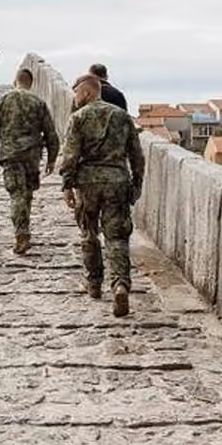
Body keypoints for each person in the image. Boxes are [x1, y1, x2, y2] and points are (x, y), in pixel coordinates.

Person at [59, 74, 145, 317]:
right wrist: (137, 183)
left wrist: (67, 184)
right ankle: (120, 285)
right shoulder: (121, 116)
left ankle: (94, 284)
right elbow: (137, 155)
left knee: (89, 234)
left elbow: (70, 156)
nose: (74, 98)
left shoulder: (78, 118)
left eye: (76, 93)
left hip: (87, 184)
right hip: (117, 182)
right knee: (117, 237)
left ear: (86, 92)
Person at [0, 68, 60, 254]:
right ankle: (24, 229)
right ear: (31, 83)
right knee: (27, 194)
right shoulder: (38, 102)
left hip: (11, 155)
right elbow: (51, 133)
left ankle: (21, 234)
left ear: (15, 81)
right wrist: (52, 159)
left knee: (17, 195)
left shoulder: (3, 101)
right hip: (32, 156)